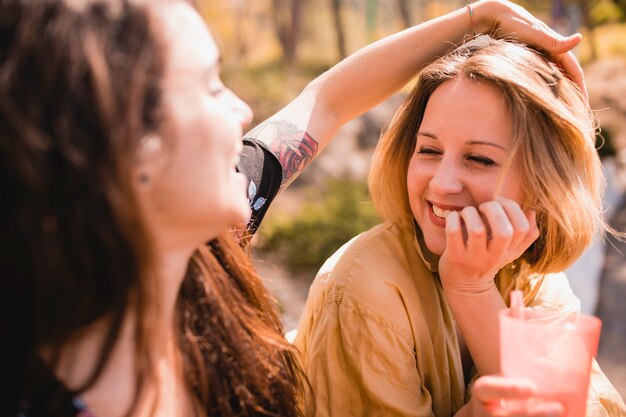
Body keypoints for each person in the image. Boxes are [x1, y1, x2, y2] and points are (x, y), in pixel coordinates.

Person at [0, 0, 592, 415]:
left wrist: (478, 18)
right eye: (210, 85)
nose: (241, 110)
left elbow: (327, 100)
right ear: (122, 144)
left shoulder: (218, 232)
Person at [294, 36, 626, 416]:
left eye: (479, 159)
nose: (441, 183)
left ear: (544, 182)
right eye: (429, 150)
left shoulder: (535, 280)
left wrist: (472, 289)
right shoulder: (362, 288)